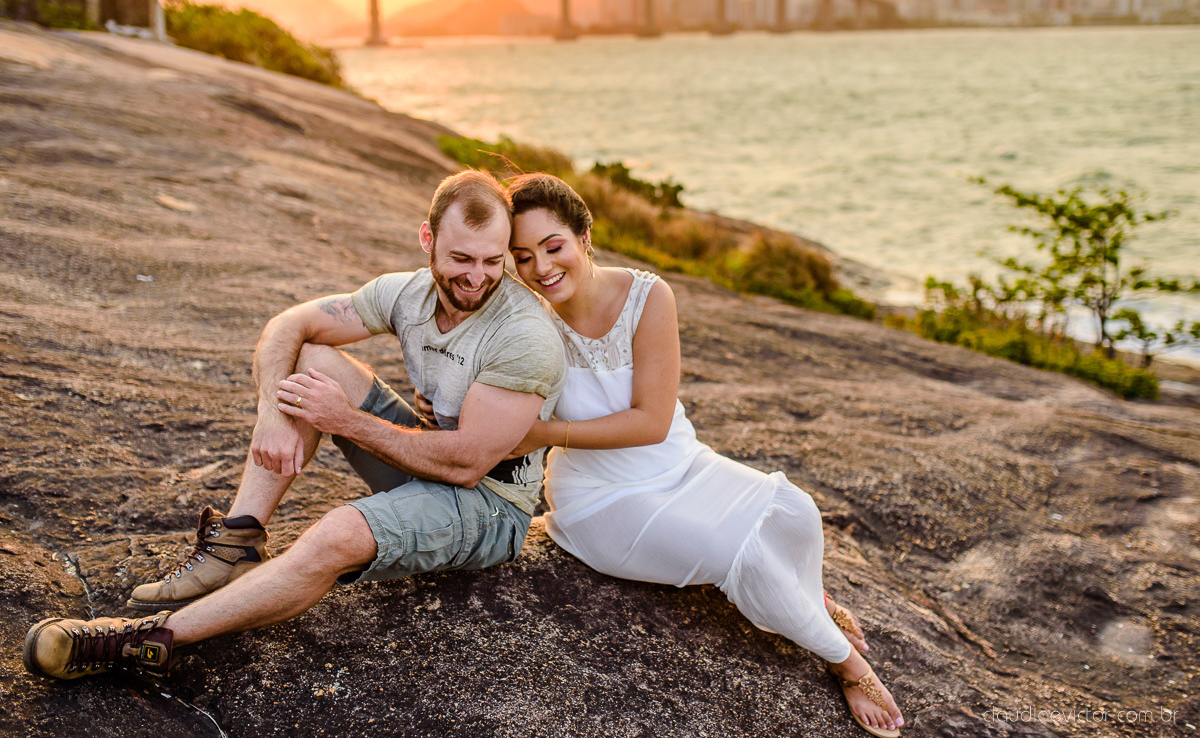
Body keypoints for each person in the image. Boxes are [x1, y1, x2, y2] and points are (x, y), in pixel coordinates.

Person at [22, 170, 566, 681]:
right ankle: (236, 544)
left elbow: (468, 464)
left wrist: (344, 420)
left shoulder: (524, 334)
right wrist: (270, 416)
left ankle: (143, 639)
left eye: (493, 261)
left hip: (491, 505)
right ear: (427, 239)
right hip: (432, 460)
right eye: (460, 258)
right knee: (313, 360)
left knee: (337, 533)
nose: (476, 277)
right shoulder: (407, 294)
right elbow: (290, 324)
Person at [492, 172, 904, 737]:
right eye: (522, 256)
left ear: (584, 236)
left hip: (680, 464)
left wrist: (545, 433)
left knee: (798, 511)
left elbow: (652, 421)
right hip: (601, 498)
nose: (541, 268)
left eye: (552, 246)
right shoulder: (525, 315)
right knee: (738, 554)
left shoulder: (646, 296)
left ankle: (806, 597)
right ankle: (847, 663)